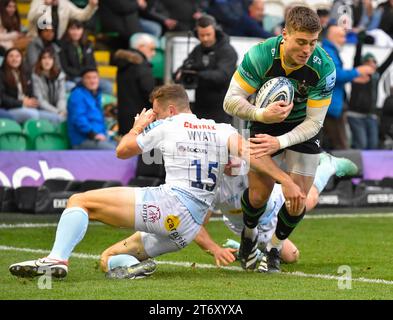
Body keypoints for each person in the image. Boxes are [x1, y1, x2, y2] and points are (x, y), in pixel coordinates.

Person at [9, 84, 304, 280]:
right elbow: (253, 154)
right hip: (187, 229)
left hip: (169, 206)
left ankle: (57, 259)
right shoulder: (220, 129)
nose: (154, 116)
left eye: (156, 111)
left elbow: (122, 150)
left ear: (171, 110)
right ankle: (135, 270)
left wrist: (139, 126)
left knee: (80, 201)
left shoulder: (167, 124)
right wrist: (285, 181)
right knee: (106, 259)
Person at [223, 6, 337, 273]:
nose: (307, 49)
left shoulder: (325, 67)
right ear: (284, 34)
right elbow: (230, 101)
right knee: (259, 194)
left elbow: (314, 123)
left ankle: (274, 249)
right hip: (264, 121)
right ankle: (249, 236)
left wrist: (281, 142)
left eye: (312, 42)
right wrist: (261, 113)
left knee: (298, 198)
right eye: (301, 41)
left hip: (302, 128)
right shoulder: (261, 55)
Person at [193, 152, 359, 268]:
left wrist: (289, 183)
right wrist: (215, 249)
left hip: (273, 205)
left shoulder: (250, 162)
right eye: (225, 157)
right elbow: (196, 223)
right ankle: (247, 250)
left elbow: (278, 170)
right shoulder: (212, 183)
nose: (231, 160)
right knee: (291, 256)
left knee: (310, 199)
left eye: (233, 154)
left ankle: (329, 164)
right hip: (246, 226)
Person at [175, 14, 237, 124]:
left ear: (215, 31)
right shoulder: (197, 50)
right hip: (200, 106)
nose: (205, 38)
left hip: (221, 107)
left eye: (208, 34)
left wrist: (198, 75)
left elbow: (223, 76)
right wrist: (180, 74)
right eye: (201, 35)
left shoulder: (227, 51)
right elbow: (185, 68)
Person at [322, 25, 374, 150]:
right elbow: (335, 75)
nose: (345, 40)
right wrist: (357, 71)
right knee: (341, 147)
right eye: (342, 36)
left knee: (334, 145)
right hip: (331, 107)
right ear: (332, 37)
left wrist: (353, 77)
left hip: (333, 105)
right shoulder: (328, 52)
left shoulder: (330, 51)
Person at [347, 31, 393, 150]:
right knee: (361, 144)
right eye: (370, 61)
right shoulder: (357, 71)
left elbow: (388, 61)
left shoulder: (377, 75)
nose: (373, 64)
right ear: (364, 63)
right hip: (355, 115)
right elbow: (357, 57)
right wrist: (360, 42)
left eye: (374, 61)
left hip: (371, 116)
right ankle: (359, 168)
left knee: (373, 145)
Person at [0, 47, 61, 123]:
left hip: (28, 107)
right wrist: (21, 102)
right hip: (10, 109)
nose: (14, 59)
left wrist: (32, 101)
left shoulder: (26, 73)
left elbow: (32, 93)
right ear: (6, 59)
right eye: (11, 56)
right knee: (32, 114)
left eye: (17, 56)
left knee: (56, 118)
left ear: (21, 59)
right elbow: (2, 98)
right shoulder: (1, 74)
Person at [112, 32, 156, 136]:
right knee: (145, 152)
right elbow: (149, 93)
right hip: (141, 120)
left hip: (124, 119)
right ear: (141, 47)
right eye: (151, 49)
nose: (153, 53)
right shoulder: (141, 66)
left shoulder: (123, 64)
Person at [67, 67, 116, 149]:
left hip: (99, 138)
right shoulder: (77, 95)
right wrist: (93, 134)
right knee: (115, 151)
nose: (92, 81)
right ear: (83, 80)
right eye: (88, 78)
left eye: (95, 77)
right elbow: (78, 119)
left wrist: (105, 135)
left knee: (125, 148)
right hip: (83, 140)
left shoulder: (96, 95)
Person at [27, 0, 98, 40]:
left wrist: (91, 6)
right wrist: (44, 5)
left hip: (56, 43)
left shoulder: (65, 4)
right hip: (36, 41)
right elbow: (31, 18)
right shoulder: (38, 1)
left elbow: (81, 16)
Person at [32, 47, 67, 123]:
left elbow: (61, 97)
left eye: (50, 58)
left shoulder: (60, 76)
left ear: (54, 61)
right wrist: (57, 111)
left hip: (57, 109)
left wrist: (62, 110)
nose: (47, 61)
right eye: (44, 58)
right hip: (41, 109)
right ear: (40, 61)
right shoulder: (35, 76)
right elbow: (40, 101)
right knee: (58, 119)